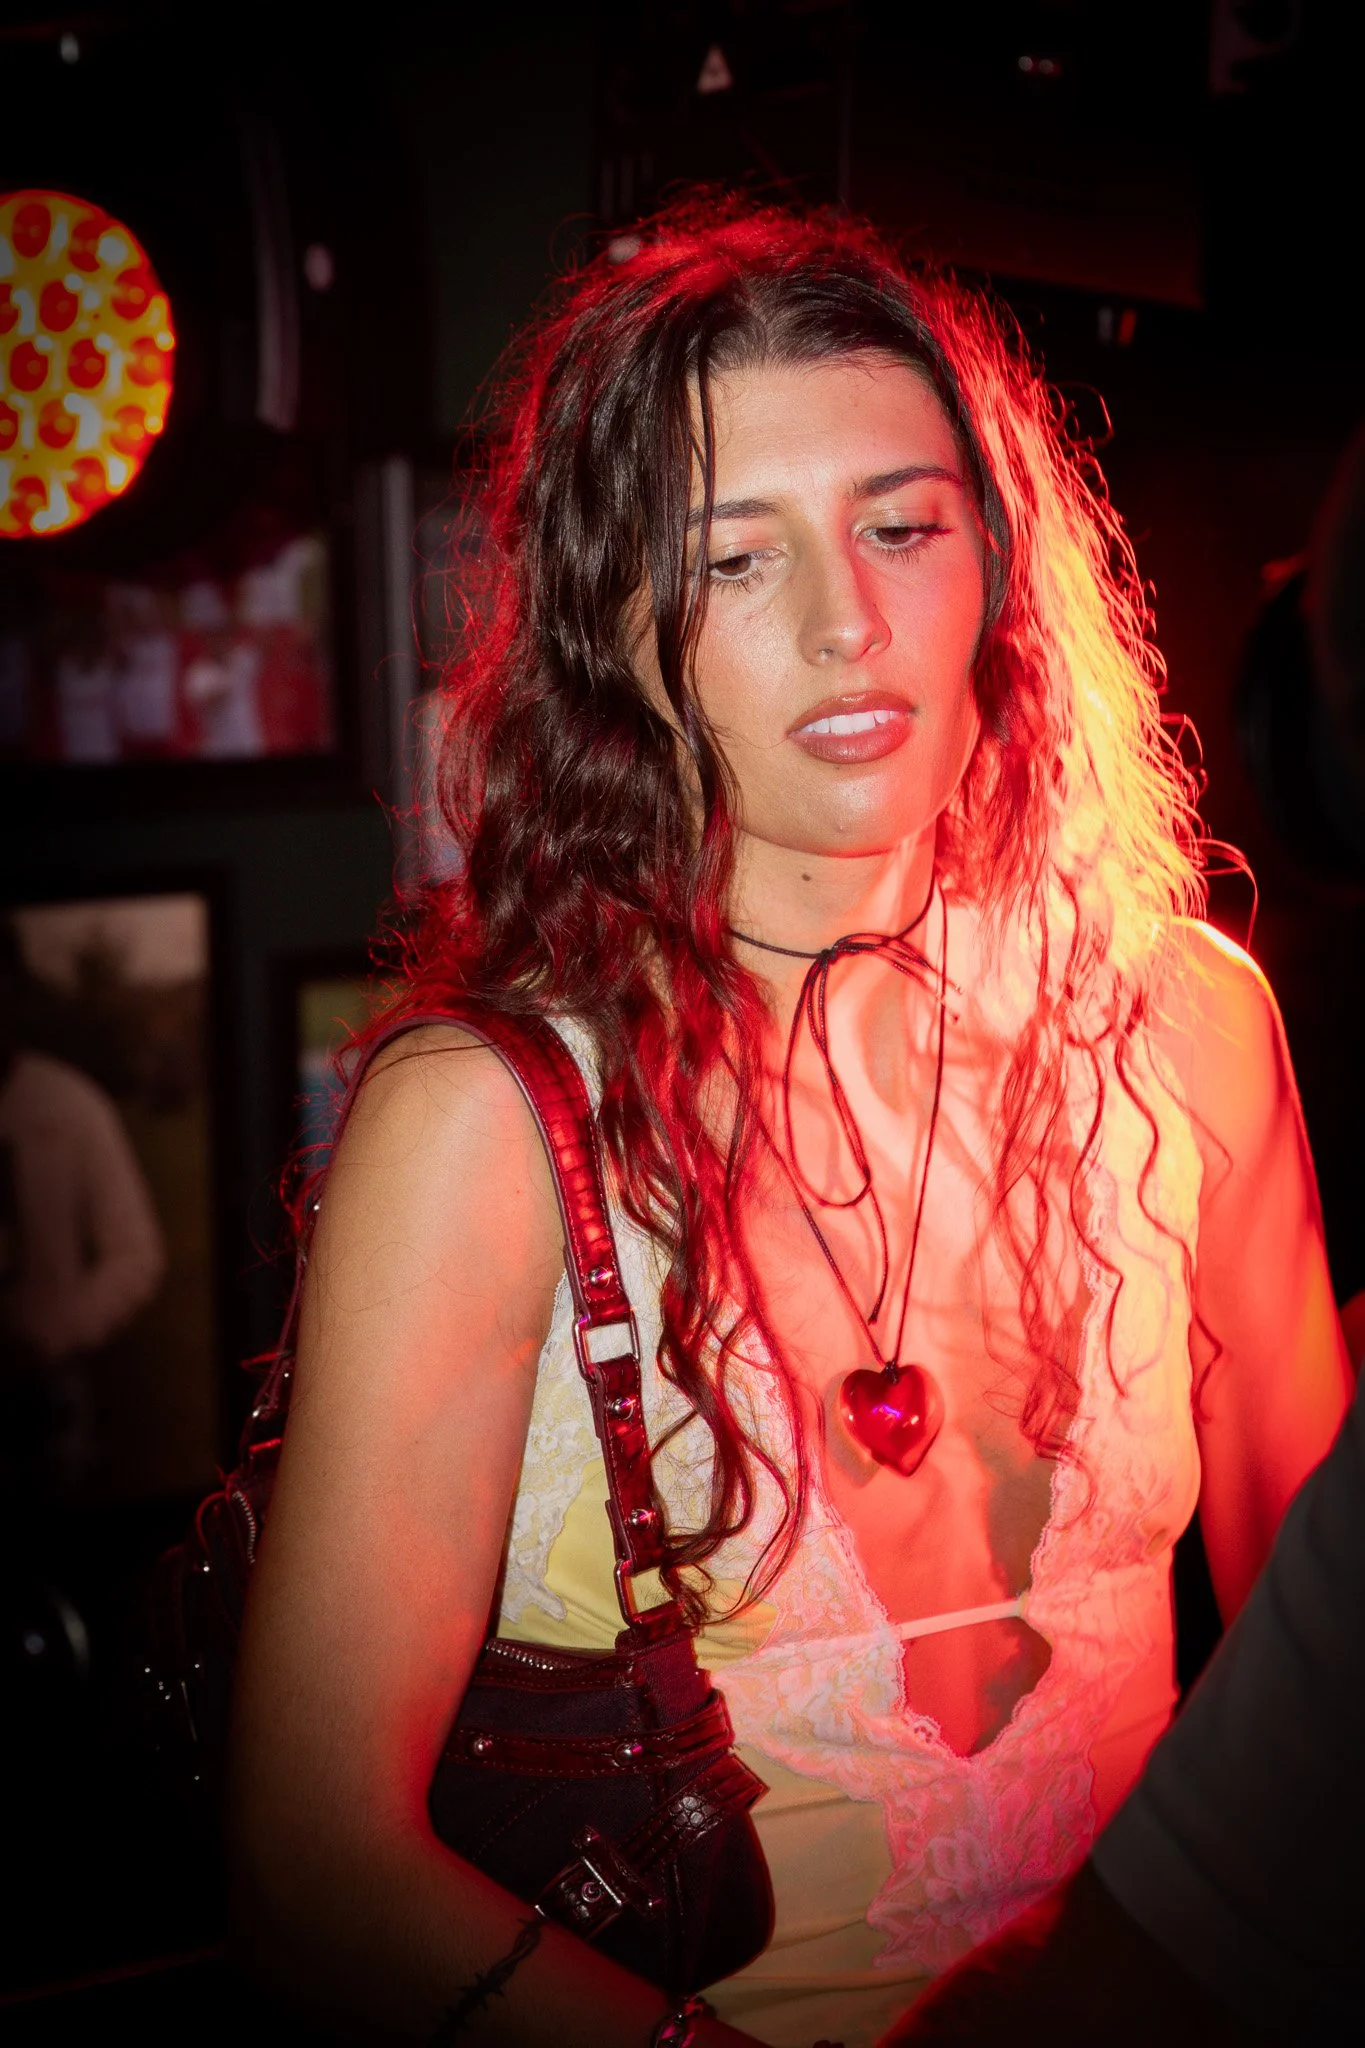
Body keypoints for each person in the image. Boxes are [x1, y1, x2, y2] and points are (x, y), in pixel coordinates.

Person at [227, 205, 1353, 2048]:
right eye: (736, 562)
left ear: (997, 553)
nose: (849, 623)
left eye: (902, 527)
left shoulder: (1189, 1030)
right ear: (616, 629)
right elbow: (307, 1868)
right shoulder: (491, 1126)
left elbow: (1333, 1688)